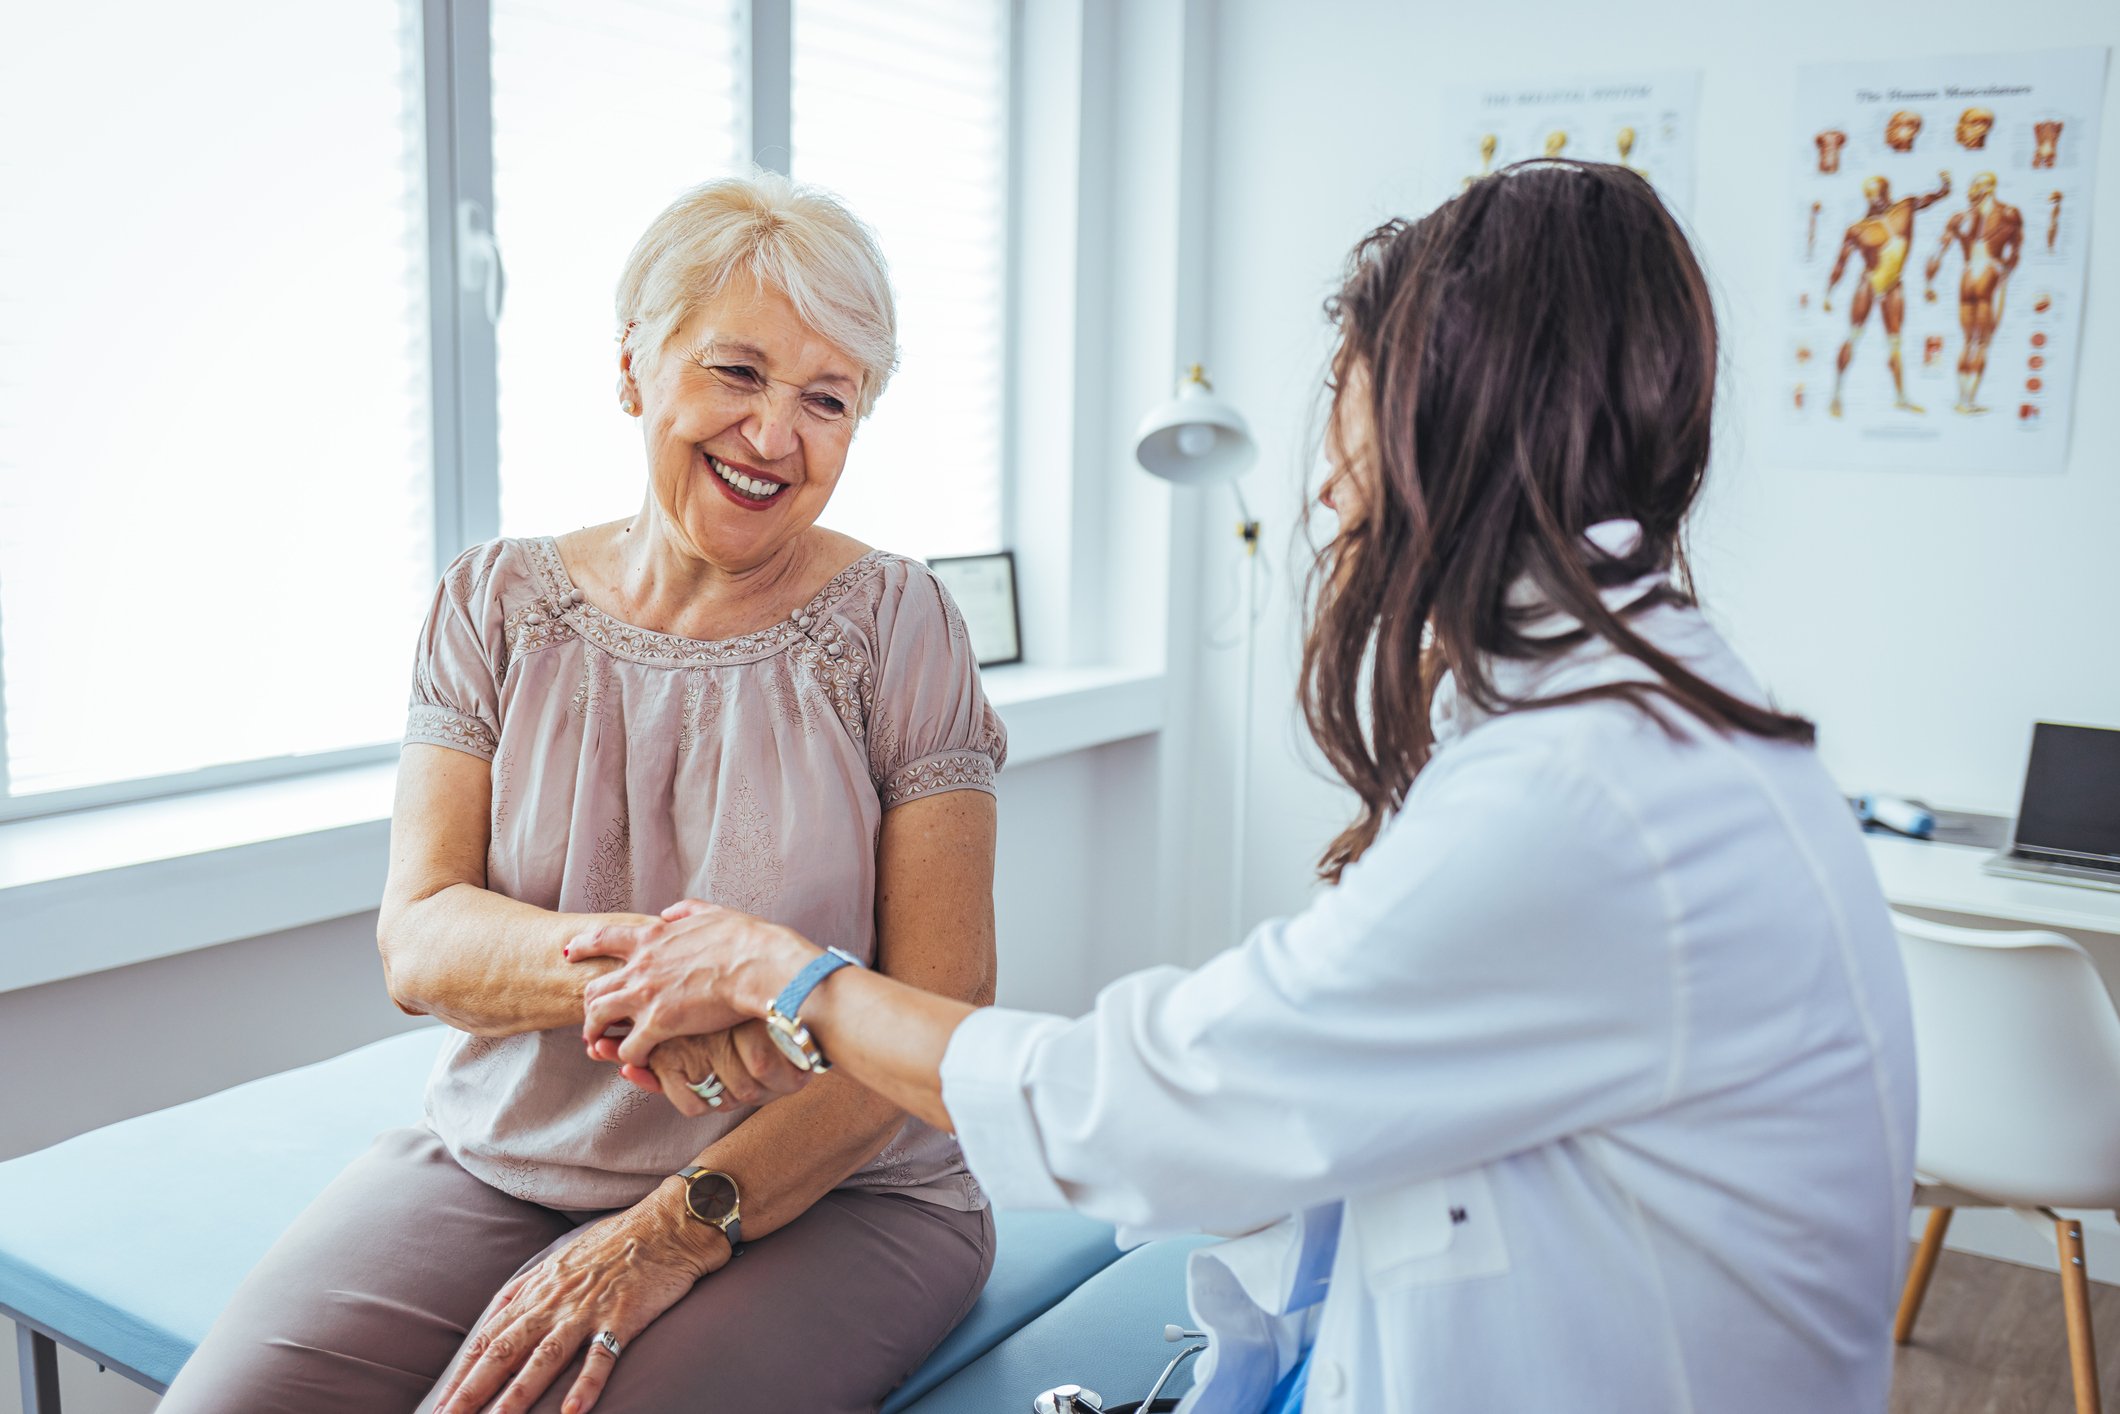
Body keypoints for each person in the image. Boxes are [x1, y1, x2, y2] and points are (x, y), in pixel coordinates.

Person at [570, 162, 1918, 1413]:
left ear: (1441, 411)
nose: (1325, 477)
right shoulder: (1636, 717)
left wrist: (791, 978)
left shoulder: (1584, 798)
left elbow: (1149, 1099)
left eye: (1352, 382)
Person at [158, 172, 1008, 1414]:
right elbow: (423, 937)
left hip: (840, 1181)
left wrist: (672, 1228)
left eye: (827, 399)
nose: (775, 434)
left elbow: (945, 999)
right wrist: (681, 980)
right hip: (507, 1159)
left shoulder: (900, 622)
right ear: (631, 366)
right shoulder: (493, 603)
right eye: (735, 373)